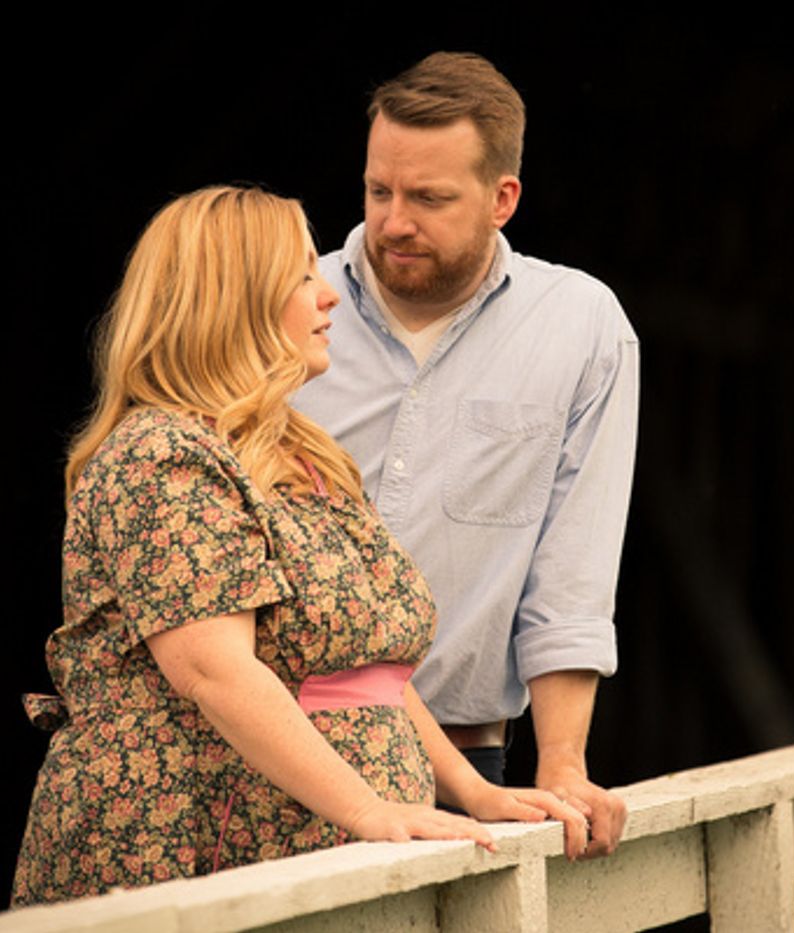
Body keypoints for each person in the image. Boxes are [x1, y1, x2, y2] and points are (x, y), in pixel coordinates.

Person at [11, 185, 587, 906]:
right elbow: (214, 670)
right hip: (190, 855)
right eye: (301, 276)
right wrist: (367, 810)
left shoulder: (305, 456)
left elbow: (372, 668)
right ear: (234, 301)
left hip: (321, 852)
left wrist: (473, 791)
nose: (330, 295)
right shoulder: (161, 456)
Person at [293, 52, 639, 858]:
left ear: (502, 199)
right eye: (379, 191)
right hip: (286, 747)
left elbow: (572, 568)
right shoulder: (288, 309)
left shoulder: (581, 327)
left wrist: (563, 763)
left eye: (429, 198)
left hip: (468, 756)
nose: (393, 222)